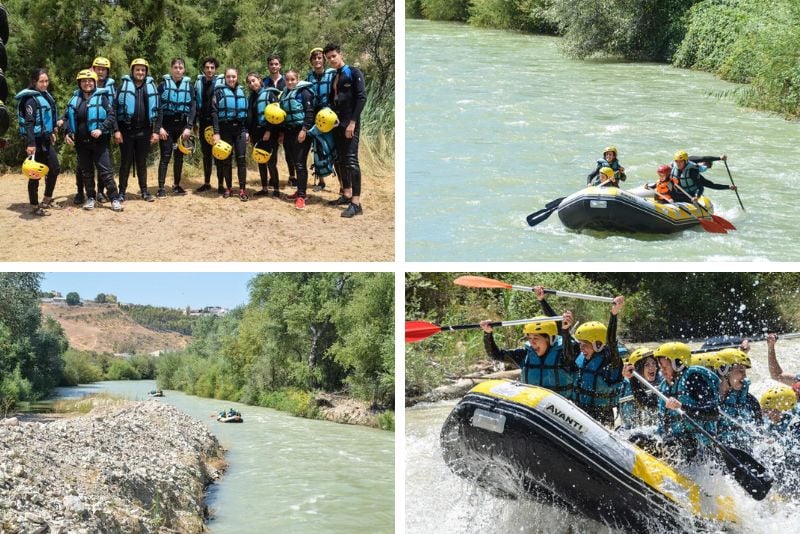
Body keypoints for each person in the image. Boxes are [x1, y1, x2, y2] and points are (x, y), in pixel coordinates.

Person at [480, 311, 575, 398]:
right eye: (529, 338)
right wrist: (487, 334)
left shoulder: (564, 355)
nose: (532, 342)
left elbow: (570, 355)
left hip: (557, 409)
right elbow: (495, 355)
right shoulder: (525, 354)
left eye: (536, 338)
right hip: (532, 405)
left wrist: (565, 331)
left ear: (550, 338)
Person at [63, 69, 121, 212]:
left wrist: (101, 129)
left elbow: (111, 116)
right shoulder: (75, 99)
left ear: (95, 82)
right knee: (86, 172)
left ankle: (114, 198)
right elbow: (66, 119)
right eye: (84, 81)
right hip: (81, 143)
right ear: (79, 83)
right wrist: (67, 133)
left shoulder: (102, 97)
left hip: (99, 142)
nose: (87, 83)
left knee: (106, 172)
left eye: (90, 81)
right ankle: (90, 197)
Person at [653, 342, 719, 463]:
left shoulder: (693, 379)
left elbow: (713, 412)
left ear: (677, 364)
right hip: (677, 441)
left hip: (700, 446)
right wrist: (633, 381)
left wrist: (682, 407)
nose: (661, 371)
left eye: (665, 367)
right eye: (660, 367)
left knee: (671, 446)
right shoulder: (665, 386)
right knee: (640, 439)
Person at [567, 296, 625, 426]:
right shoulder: (581, 357)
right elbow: (563, 335)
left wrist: (613, 314)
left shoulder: (610, 361)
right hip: (580, 412)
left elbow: (611, 341)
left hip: (601, 417)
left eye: (585, 345)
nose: (581, 349)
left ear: (598, 345)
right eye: (580, 344)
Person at [324, 43, 367, 218]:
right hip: (337, 124)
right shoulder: (335, 76)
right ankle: (347, 194)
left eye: (334, 56)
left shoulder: (354, 72)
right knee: (340, 160)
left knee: (351, 161)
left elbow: (361, 98)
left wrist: (353, 123)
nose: (332, 60)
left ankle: (356, 204)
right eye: (329, 58)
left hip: (350, 123)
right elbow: (333, 100)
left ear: (341, 54)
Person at [692, 348, 761, 450]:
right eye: (741, 371)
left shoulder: (751, 401)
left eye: (745, 371)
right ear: (723, 369)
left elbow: (759, 430)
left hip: (740, 451)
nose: (745, 376)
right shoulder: (704, 398)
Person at [15, 68, 60, 216]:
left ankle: (47, 199)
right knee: (34, 174)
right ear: (34, 81)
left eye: (46, 81)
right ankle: (35, 206)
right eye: (41, 81)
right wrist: (31, 143)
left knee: (54, 168)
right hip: (35, 141)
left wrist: (52, 132)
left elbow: (47, 118)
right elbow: (29, 123)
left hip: (45, 139)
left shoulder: (45, 96)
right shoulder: (30, 100)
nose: (45, 84)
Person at [114, 58, 160, 202]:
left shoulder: (151, 87)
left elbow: (160, 110)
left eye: (143, 70)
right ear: (132, 71)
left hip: (144, 131)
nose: (140, 72)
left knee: (141, 162)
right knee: (125, 162)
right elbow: (114, 110)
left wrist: (156, 131)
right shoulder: (123, 87)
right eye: (137, 69)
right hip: (126, 131)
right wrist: (116, 130)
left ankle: (144, 192)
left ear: (146, 72)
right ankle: (121, 192)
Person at [155, 58, 196, 198]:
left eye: (180, 67)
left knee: (179, 157)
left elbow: (193, 108)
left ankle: (177, 185)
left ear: (184, 69)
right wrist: (159, 127)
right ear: (171, 69)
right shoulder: (162, 86)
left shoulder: (189, 87)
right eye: (175, 67)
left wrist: (188, 127)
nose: (178, 69)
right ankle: (161, 188)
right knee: (165, 157)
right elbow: (157, 107)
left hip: (182, 127)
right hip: (166, 125)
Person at [211, 67, 249, 200]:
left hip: (240, 129)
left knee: (241, 160)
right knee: (226, 160)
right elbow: (214, 113)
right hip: (225, 129)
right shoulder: (219, 91)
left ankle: (242, 190)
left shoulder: (242, 91)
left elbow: (247, 114)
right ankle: (228, 188)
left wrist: (247, 131)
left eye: (233, 76)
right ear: (225, 78)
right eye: (228, 77)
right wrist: (216, 133)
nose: (231, 79)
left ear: (237, 77)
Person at [279, 69, 315, 210]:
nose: (290, 82)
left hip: (301, 132)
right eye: (287, 80)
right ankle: (300, 190)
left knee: (300, 164)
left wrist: (304, 130)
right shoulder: (285, 94)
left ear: (297, 79)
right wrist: (282, 133)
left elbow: (310, 113)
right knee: (294, 162)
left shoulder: (303, 92)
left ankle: (301, 196)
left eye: (292, 79)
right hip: (289, 132)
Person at [245, 71, 280, 197]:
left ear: (260, 80)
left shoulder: (270, 94)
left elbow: (276, 115)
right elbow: (250, 117)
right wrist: (247, 132)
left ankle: (276, 189)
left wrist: (269, 131)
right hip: (256, 132)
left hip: (269, 132)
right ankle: (264, 188)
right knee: (260, 160)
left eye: (253, 80)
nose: (252, 84)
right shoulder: (252, 97)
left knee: (271, 162)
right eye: (249, 82)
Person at [306, 47, 337, 191]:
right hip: (315, 117)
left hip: (329, 116)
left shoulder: (332, 75)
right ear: (311, 61)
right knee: (317, 149)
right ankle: (321, 182)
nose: (317, 61)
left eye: (319, 58)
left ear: (323, 60)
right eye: (314, 58)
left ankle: (343, 186)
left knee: (333, 150)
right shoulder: (309, 78)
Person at [193, 56, 224, 193]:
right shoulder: (198, 83)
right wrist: (194, 123)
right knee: (206, 155)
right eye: (207, 67)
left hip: (217, 124)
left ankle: (221, 185)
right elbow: (193, 104)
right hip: (203, 123)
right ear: (203, 69)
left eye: (212, 68)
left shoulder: (221, 83)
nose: (209, 70)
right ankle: (206, 183)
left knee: (219, 154)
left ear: (215, 69)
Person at [263, 54, 294, 187]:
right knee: (272, 151)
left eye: (276, 64)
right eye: (271, 64)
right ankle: (272, 177)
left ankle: (292, 176)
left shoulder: (286, 81)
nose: (274, 66)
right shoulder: (264, 82)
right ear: (268, 66)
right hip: (271, 122)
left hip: (286, 121)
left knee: (289, 151)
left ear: (280, 65)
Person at [90, 56, 116, 203]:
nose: (100, 71)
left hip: (104, 130)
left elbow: (114, 111)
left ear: (107, 71)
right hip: (87, 131)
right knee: (83, 164)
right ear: (93, 69)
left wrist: (115, 130)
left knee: (102, 163)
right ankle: (82, 192)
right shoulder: (86, 83)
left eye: (103, 69)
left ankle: (100, 192)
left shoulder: (111, 87)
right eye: (98, 68)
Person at [618, 348, 661, 429]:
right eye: (647, 365)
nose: (652, 367)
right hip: (632, 427)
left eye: (654, 364)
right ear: (638, 369)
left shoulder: (662, 382)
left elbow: (648, 405)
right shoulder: (627, 385)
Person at [671, 150, 736, 202]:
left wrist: (719, 158)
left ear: (685, 161)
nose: (678, 164)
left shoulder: (692, 171)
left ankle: (707, 164)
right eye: (677, 161)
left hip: (696, 171)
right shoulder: (673, 167)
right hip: (682, 190)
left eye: (680, 161)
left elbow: (703, 158)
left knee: (708, 181)